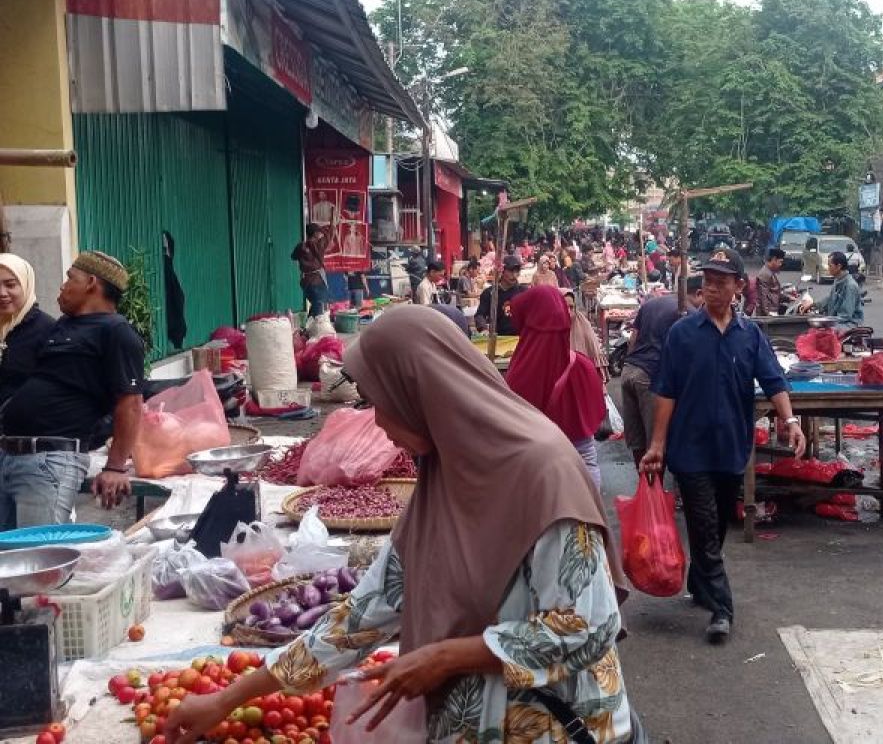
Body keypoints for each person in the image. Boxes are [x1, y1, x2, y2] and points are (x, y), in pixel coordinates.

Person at [164, 306, 636, 744]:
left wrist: (448, 655)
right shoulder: (443, 478)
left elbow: (587, 628)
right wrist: (227, 699)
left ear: (422, 391)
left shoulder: (543, 473)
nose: (377, 423)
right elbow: (362, 615)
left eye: (380, 402)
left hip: (559, 726)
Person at [641, 248, 805, 644]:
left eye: (720, 281)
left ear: (737, 287)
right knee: (702, 521)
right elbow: (665, 392)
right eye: (707, 281)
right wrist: (657, 445)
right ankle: (721, 609)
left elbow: (773, 382)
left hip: (732, 446)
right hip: (690, 448)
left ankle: (701, 582)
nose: (711, 288)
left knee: (717, 523)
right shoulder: (682, 334)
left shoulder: (750, 336)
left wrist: (791, 421)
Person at [0, 252, 144, 531]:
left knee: (38, 558)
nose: (62, 286)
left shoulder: (116, 331)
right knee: (8, 561)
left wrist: (115, 467)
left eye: (70, 279)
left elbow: (131, 402)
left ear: (91, 283)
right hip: (11, 456)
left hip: (49, 460)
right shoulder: (64, 326)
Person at [506, 286, 606, 490]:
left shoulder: (518, 372)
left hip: (538, 470)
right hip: (582, 464)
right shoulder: (582, 365)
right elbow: (597, 411)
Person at [621, 275, 702, 466]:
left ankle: (645, 488)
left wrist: (631, 363)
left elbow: (633, 338)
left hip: (629, 371)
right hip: (650, 378)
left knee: (637, 440)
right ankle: (652, 491)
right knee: (655, 443)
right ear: (699, 294)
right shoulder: (690, 313)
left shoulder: (652, 303)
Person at [0, 254, 56, 409]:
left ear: (26, 285)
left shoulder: (49, 330)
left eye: (10, 285)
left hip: (26, 428)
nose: (2, 293)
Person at [803, 252, 864, 330]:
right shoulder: (838, 280)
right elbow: (830, 298)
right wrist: (814, 304)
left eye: (830, 265)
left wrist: (825, 320)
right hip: (838, 321)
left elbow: (845, 316)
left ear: (838, 266)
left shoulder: (850, 286)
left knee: (821, 332)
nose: (828, 268)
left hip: (849, 324)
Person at [475, 255, 527, 336]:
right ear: (502, 271)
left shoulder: (523, 292)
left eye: (516, 271)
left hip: (520, 339)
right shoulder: (489, 293)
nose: (514, 275)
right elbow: (480, 315)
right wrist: (483, 328)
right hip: (498, 340)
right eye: (510, 271)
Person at [563, 289, 608, 382]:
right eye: (563, 307)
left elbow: (594, 358)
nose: (568, 312)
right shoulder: (550, 331)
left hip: (583, 381)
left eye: (571, 307)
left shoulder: (583, 325)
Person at [290, 223, 329, 317]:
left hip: (306, 281)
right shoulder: (319, 245)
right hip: (317, 280)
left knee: (316, 306)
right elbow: (328, 236)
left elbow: (293, 257)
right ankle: (312, 329)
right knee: (318, 308)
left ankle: (307, 328)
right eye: (319, 232)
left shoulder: (301, 246)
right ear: (315, 233)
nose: (321, 234)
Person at [754, 248, 785, 316]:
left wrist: (788, 298)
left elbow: (774, 292)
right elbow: (763, 296)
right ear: (774, 259)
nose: (780, 264)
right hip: (767, 314)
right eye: (780, 262)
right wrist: (768, 314)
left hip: (772, 310)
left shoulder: (770, 272)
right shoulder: (765, 274)